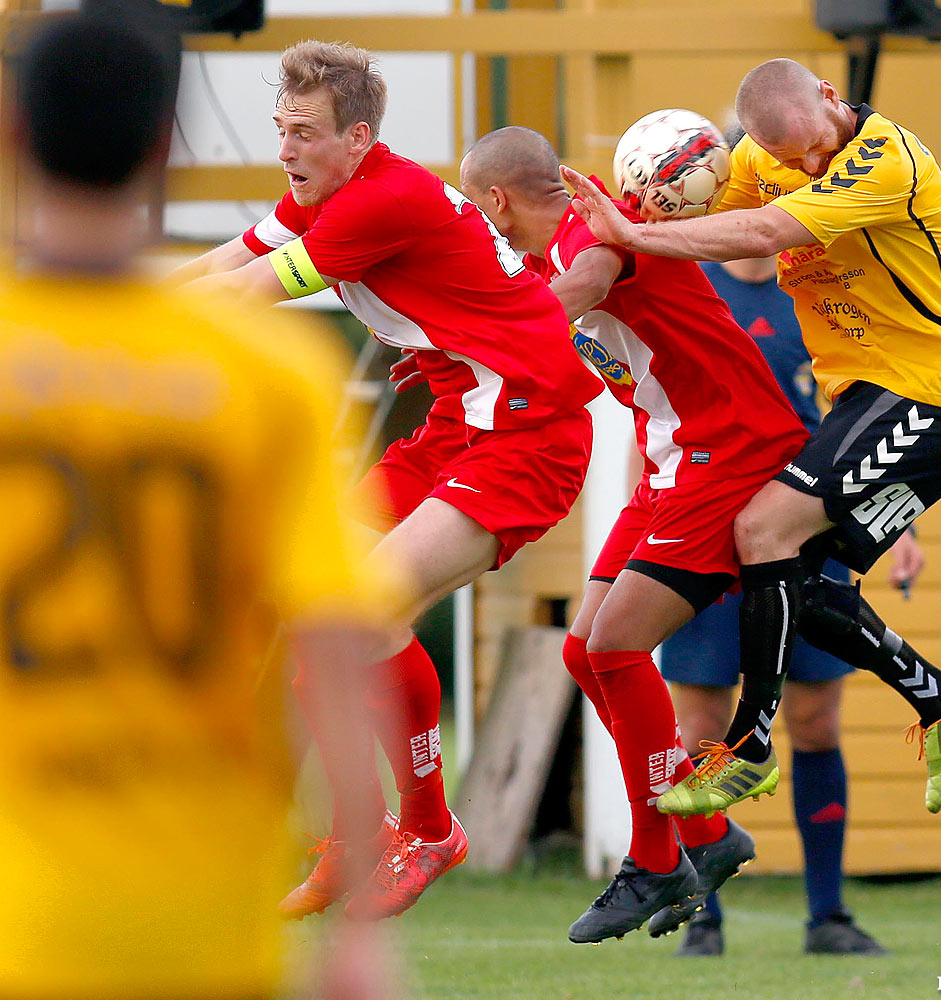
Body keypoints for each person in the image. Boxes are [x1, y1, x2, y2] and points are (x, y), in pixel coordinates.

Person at [0, 15, 401, 1000]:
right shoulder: (273, 378)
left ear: (14, 136)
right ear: (160, 145)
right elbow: (341, 639)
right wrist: (357, 932)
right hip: (203, 916)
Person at [170, 41, 600, 921]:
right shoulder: (326, 194)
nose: (285, 150)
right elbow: (220, 265)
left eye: (304, 133)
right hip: (457, 428)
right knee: (312, 602)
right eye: (280, 129)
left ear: (359, 137)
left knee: (358, 607)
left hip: (529, 433)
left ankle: (428, 829)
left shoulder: (387, 199)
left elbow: (248, 293)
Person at [562, 56, 941, 819]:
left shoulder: (884, 158)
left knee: (762, 527)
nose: (808, 166)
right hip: (866, 399)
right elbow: (688, 212)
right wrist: (614, 224)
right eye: (789, 158)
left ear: (832, 98)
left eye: (813, 148)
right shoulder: (763, 158)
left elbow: (761, 230)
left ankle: (751, 746)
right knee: (806, 582)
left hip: (936, 394)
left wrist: (628, 231)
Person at [451, 125, 810, 943]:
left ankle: (659, 858)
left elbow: (584, 285)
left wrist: (479, 336)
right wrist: (452, 362)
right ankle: (708, 838)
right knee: (586, 652)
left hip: (732, 453)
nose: (483, 224)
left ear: (496, 200)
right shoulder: (556, 253)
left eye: (480, 208)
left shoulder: (594, 230)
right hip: (672, 461)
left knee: (614, 650)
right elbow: (573, 362)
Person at [662, 253, 923, 957]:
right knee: (700, 731)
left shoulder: (824, 295)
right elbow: (657, 423)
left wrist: (900, 524)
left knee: (814, 720)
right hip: (708, 534)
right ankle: (704, 913)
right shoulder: (687, 287)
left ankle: (828, 916)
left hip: (811, 538)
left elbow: (870, 421)